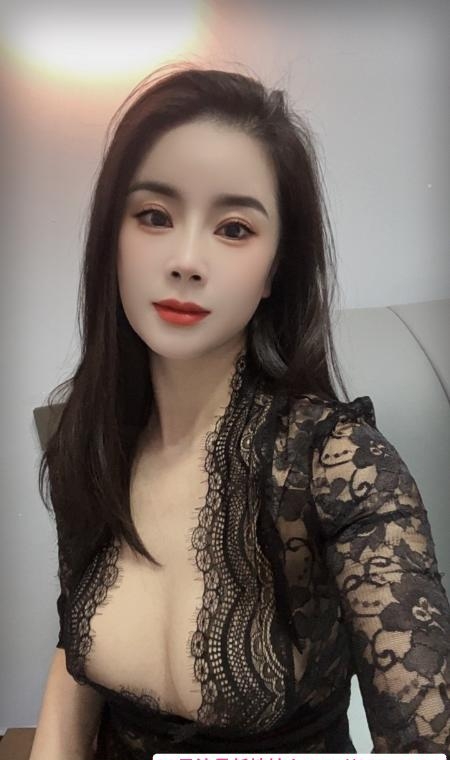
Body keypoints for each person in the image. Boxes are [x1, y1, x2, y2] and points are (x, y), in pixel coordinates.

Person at [31, 62, 450, 759]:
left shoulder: (339, 468)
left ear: (274, 271)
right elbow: (73, 655)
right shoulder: (87, 439)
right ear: (112, 239)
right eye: (154, 216)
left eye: (232, 228)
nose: (186, 259)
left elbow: (424, 741)